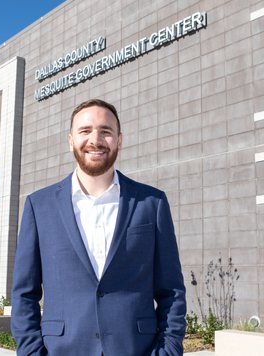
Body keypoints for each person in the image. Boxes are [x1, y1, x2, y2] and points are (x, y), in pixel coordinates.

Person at [11, 99, 187, 356]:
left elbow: (171, 290)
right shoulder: (39, 205)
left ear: (119, 140)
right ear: (71, 140)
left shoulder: (152, 203)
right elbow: (24, 293)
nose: (96, 139)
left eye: (106, 131)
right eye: (85, 131)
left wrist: (168, 351)